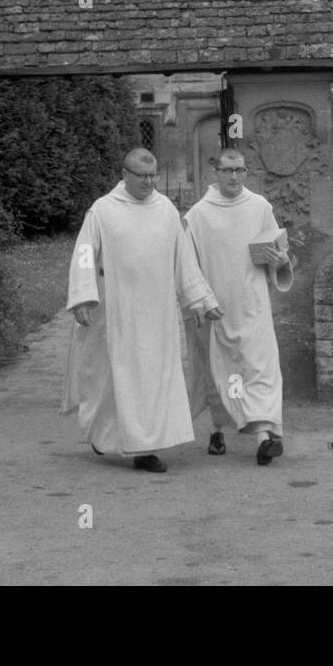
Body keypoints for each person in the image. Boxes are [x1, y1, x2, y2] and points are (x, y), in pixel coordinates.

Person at [61, 148, 222, 472]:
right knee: (109, 381)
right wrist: (82, 296)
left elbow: (183, 259)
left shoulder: (165, 210)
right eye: (142, 176)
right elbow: (83, 254)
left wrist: (201, 299)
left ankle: (146, 449)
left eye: (153, 176)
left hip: (157, 314)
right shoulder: (103, 211)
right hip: (116, 312)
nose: (149, 182)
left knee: (152, 378)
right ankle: (103, 433)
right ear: (125, 175)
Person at [183, 149, 295, 466]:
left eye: (240, 170)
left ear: (246, 173)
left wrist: (279, 259)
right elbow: (187, 266)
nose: (234, 177)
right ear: (215, 172)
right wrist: (202, 301)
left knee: (261, 369)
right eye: (228, 170)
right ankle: (218, 429)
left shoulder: (259, 207)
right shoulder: (198, 215)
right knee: (225, 375)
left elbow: (278, 247)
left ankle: (265, 438)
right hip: (216, 308)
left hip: (253, 304)